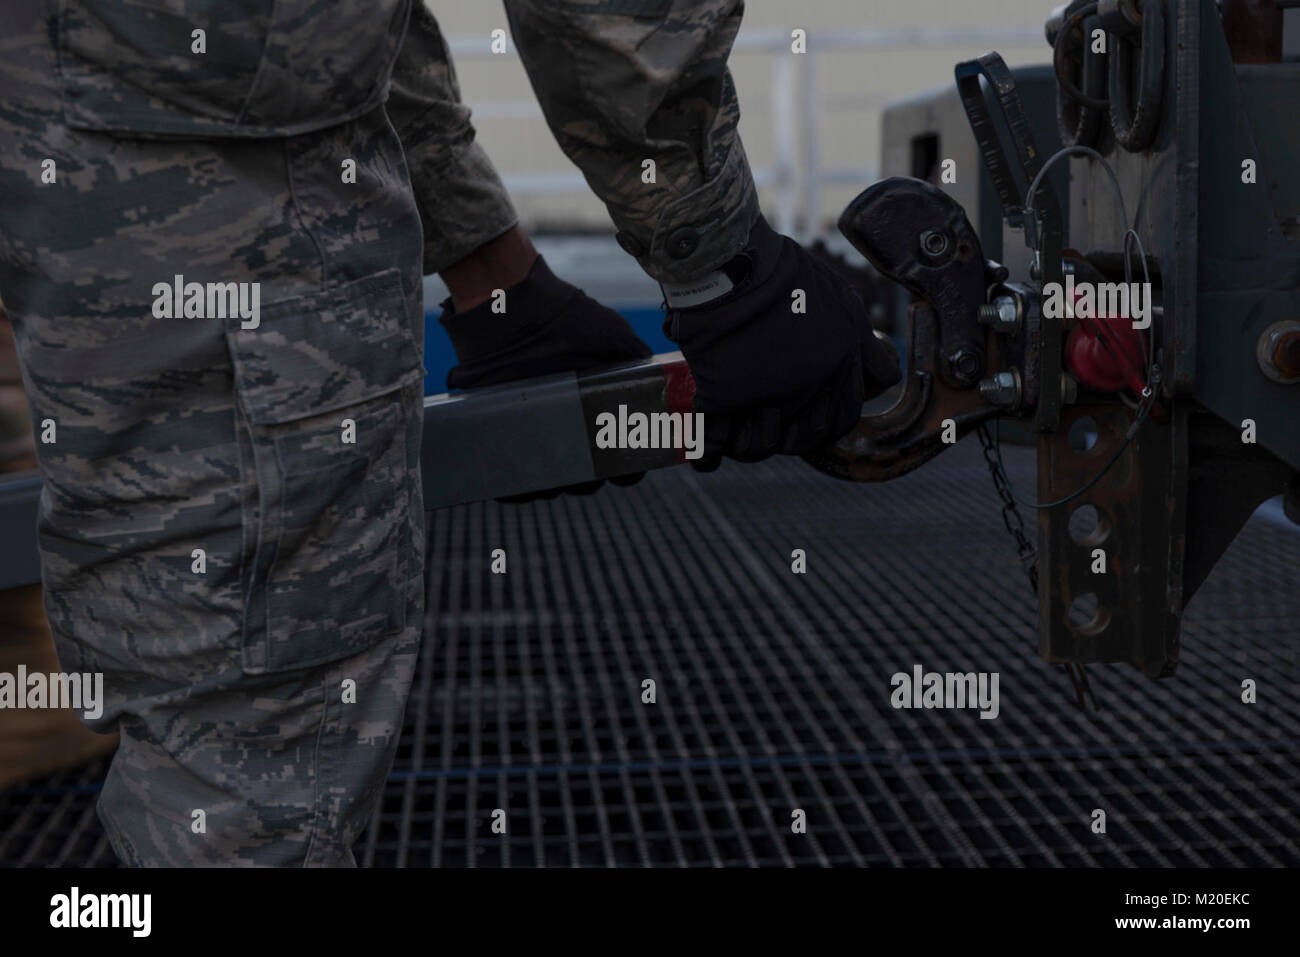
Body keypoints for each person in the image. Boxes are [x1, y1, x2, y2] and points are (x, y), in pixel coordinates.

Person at [0, 0, 897, 866]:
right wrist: (720, 262)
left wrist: (491, 270)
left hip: (71, 125)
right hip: (208, 173)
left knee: (197, 682)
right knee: (249, 766)